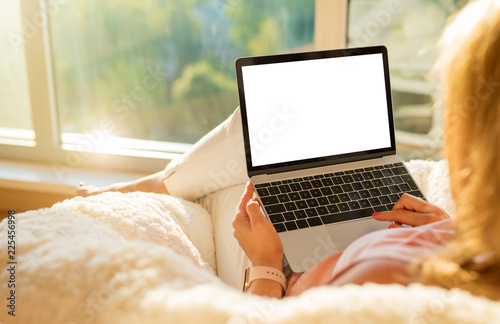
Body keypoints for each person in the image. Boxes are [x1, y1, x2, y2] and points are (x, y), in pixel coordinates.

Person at [78, 0, 500, 301]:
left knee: (236, 175)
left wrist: (265, 263)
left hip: (278, 276)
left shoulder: (380, 282)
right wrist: (448, 232)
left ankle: (157, 185)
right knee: (259, 148)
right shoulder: (467, 245)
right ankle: (163, 184)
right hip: (401, 236)